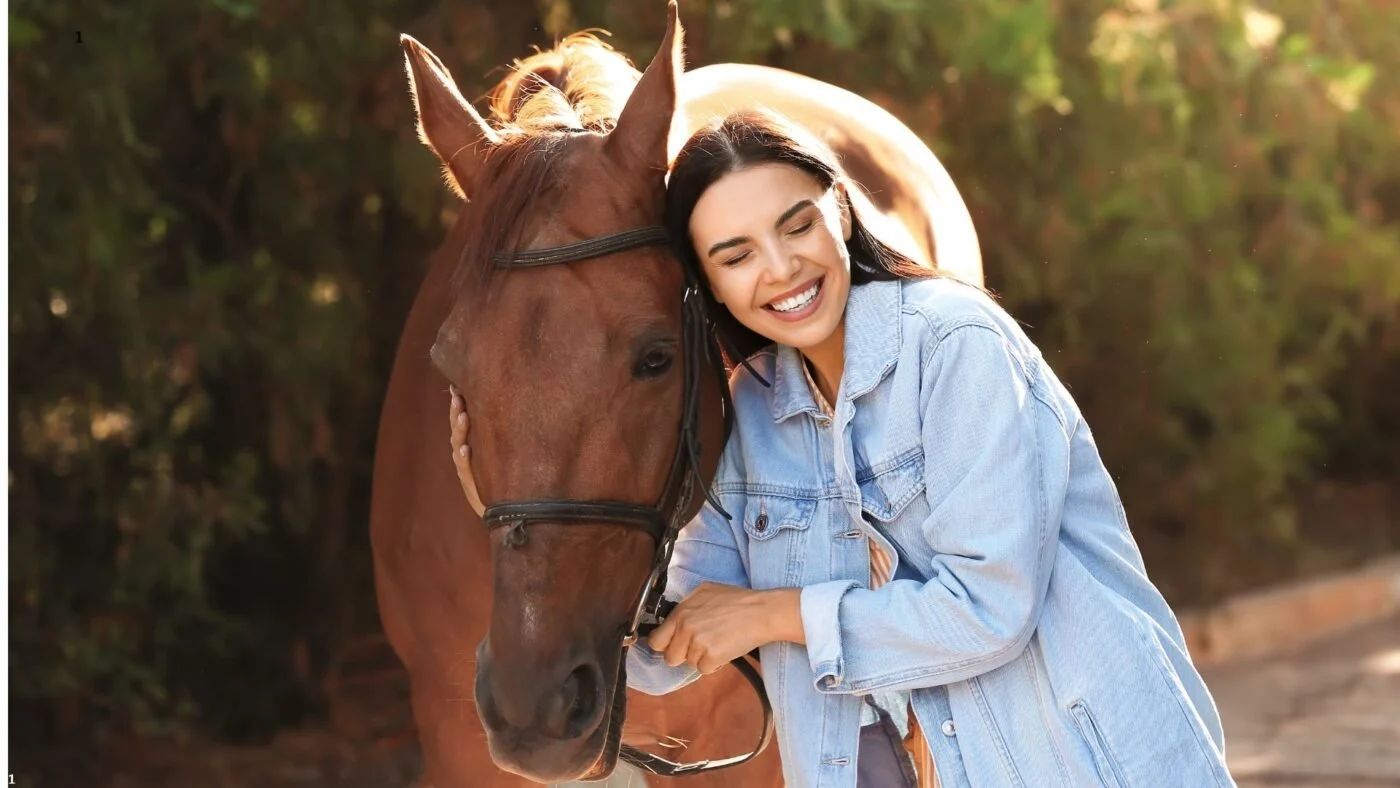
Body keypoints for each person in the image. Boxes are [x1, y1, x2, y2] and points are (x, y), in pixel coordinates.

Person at [448, 110, 1235, 788]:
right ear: (708, 285)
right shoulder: (752, 410)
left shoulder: (957, 345)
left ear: (843, 214)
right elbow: (670, 650)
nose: (781, 268)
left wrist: (774, 614)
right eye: (736, 255)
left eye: (797, 226)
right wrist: (512, 505)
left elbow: (990, 611)